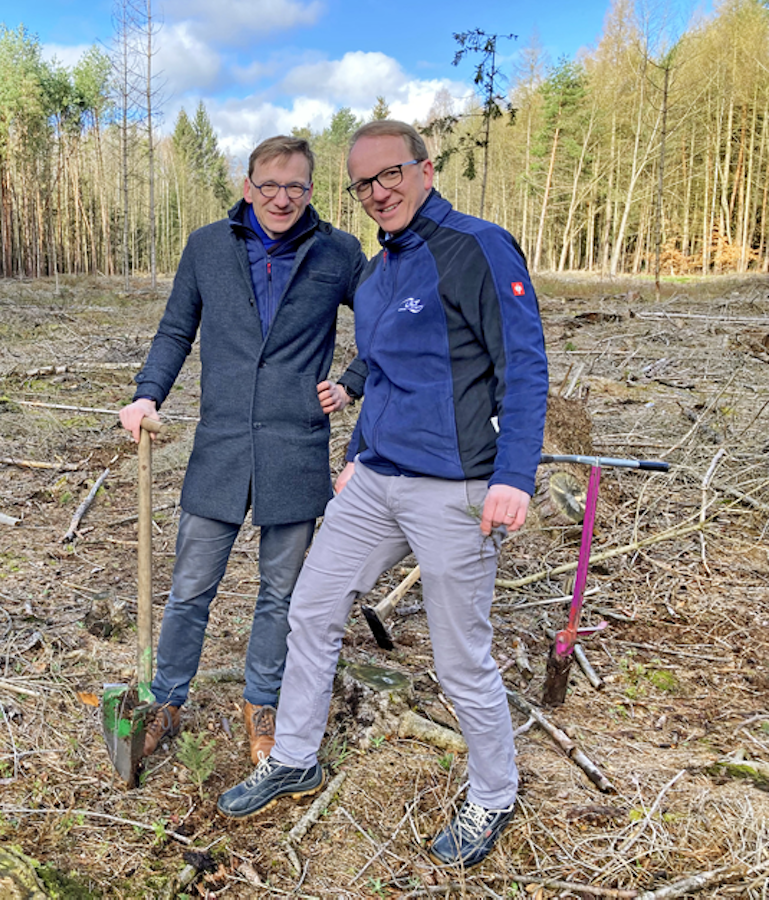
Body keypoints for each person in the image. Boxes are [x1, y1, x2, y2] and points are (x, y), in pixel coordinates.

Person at [217, 121, 548, 869]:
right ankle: (295, 754)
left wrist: (513, 476)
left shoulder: (476, 246)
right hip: (376, 481)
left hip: (457, 487)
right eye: (363, 184)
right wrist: (359, 455)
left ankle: (493, 793)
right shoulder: (377, 272)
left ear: (425, 169)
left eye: (390, 174)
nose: (378, 193)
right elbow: (382, 365)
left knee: (460, 654)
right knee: (311, 605)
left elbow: (522, 364)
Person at [119, 135, 368, 765]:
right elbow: (176, 329)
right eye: (269, 185)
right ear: (247, 184)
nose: (282, 199)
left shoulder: (338, 253)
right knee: (190, 587)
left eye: (296, 187)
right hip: (222, 445)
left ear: (312, 190)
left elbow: (389, 321)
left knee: (282, 593)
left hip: (295, 448)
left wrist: (352, 383)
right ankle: (166, 699)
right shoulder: (207, 247)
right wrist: (148, 395)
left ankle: (264, 702)